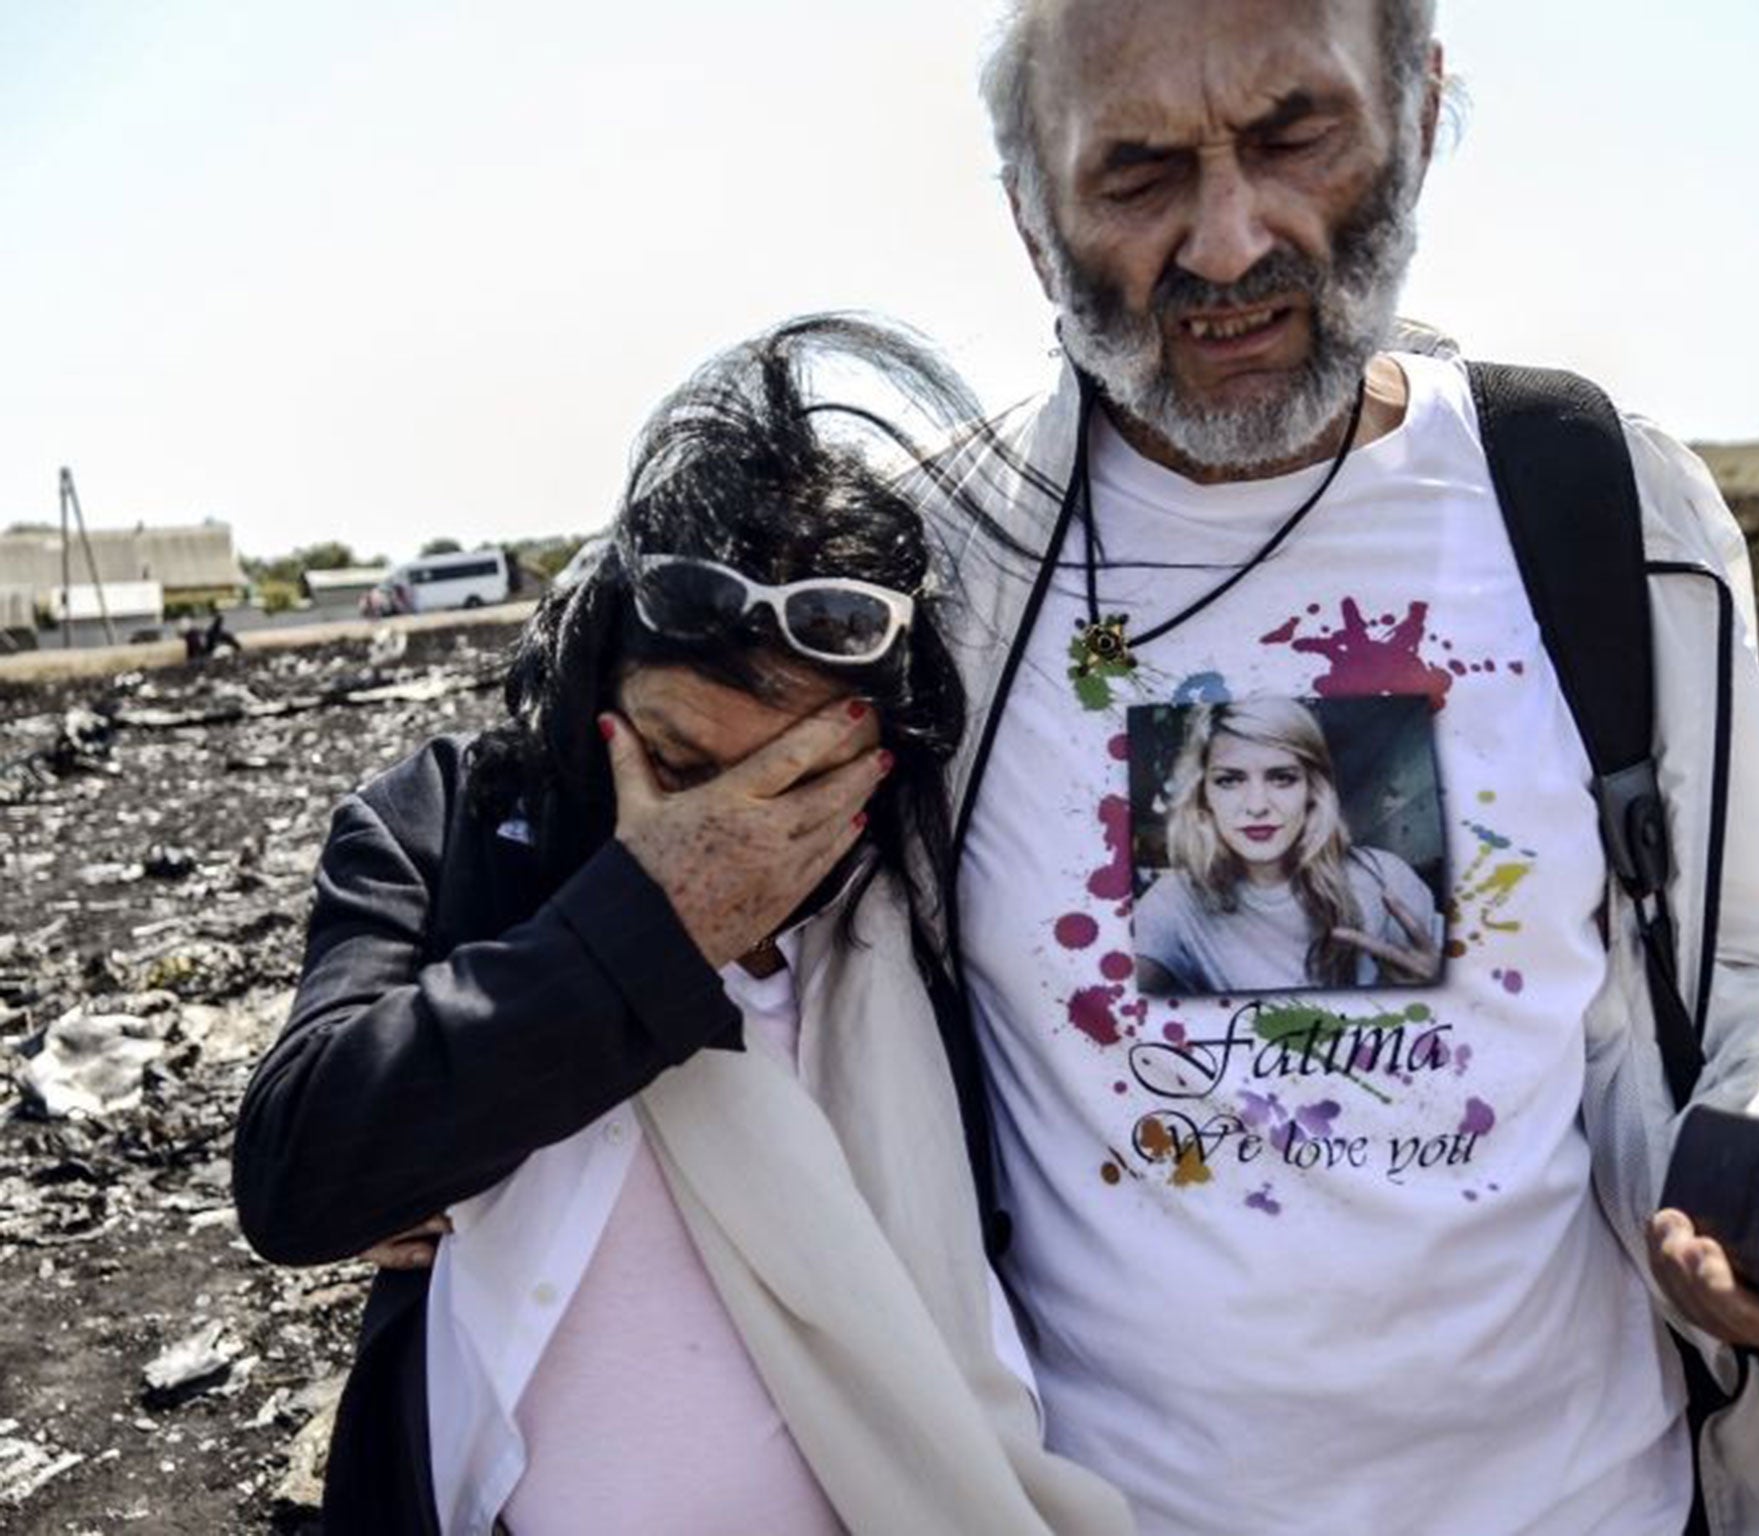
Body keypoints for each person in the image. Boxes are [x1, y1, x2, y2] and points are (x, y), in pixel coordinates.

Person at [932, 1, 1759, 1531]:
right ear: (1029, 212)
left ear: (1418, 113)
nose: (1229, 243)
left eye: (1297, 138)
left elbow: (1754, 969)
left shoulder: (1604, 506)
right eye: (1136, 175)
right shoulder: (943, 579)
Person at [232, 317, 1132, 1536]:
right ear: (593, 688)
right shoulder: (452, 833)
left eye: (792, 785)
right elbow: (302, 1176)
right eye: (672, 762)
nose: (732, 834)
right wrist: (643, 926)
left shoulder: (936, 871)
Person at [1132, 694, 1441, 994]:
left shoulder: (1385, 878)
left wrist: (1435, 987)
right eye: (1229, 780)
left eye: (1282, 778)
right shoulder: (1172, 903)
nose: (1256, 806)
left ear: (1312, 789)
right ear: (1204, 795)